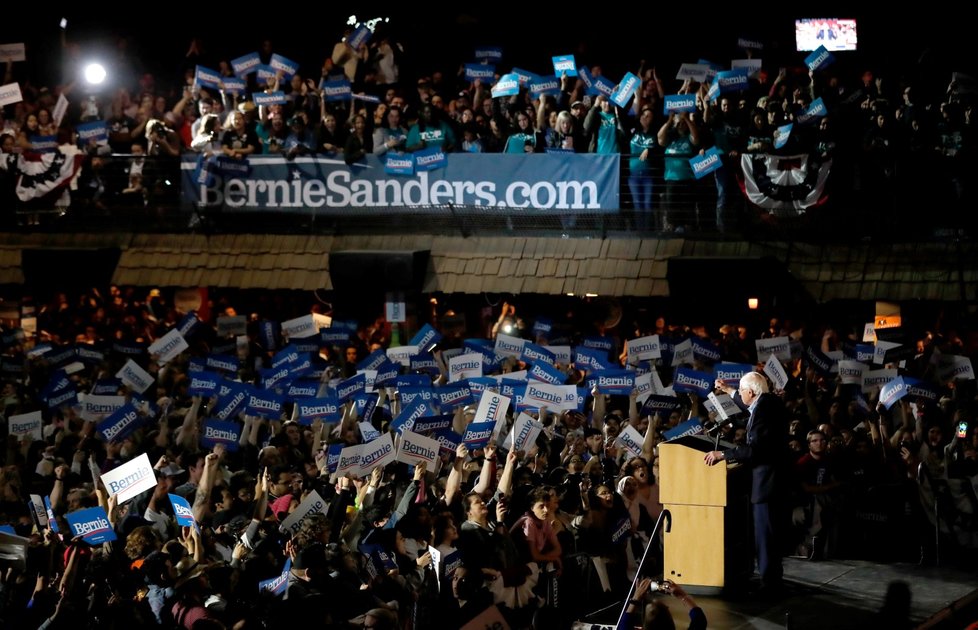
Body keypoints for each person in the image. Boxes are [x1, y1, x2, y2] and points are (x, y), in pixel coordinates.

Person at [705, 371, 788, 596]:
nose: (740, 395)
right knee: (767, 535)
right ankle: (772, 579)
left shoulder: (764, 410)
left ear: (750, 392)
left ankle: (770, 585)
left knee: (766, 536)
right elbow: (747, 406)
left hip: (767, 484)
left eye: (741, 391)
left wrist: (723, 455)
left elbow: (755, 450)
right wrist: (729, 390)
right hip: (772, 482)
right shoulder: (767, 403)